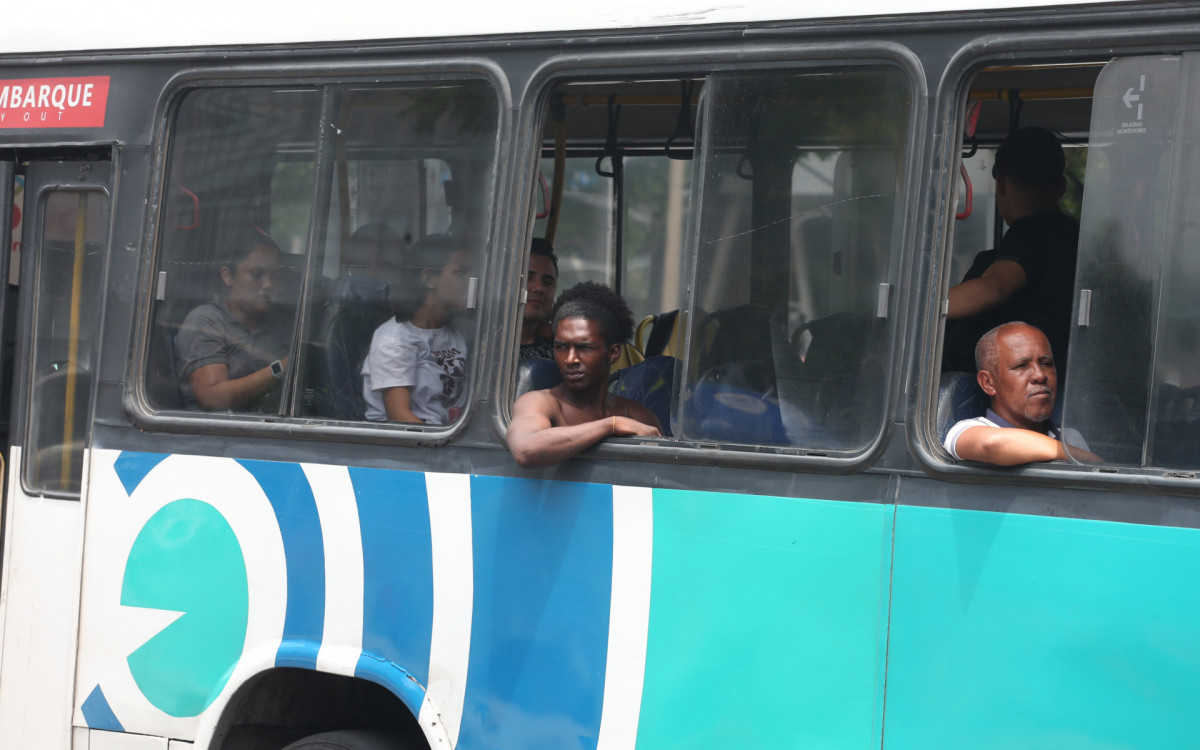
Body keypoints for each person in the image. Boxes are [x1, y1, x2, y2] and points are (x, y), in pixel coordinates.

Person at [943, 126, 1079, 374]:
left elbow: (996, 287)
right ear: (1062, 187)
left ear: (1002, 183)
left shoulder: (1029, 231)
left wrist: (925, 307)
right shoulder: (1075, 236)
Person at [508, 282, 661, 468]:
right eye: (561, 347)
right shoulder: (539, 402)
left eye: (584, 347)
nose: (570, 359)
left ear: (613, 353)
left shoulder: (635, 414)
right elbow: (526, 450)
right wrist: (611, 425)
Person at [944, 322, 1098, 465]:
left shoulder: (1070, 436)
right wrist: (1085, 458)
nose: (1040, 375)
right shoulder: (966, 430)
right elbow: (995, 444)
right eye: (1021, 366)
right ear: (988, 383)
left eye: (1046, 364)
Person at [175, 228, 292, 412]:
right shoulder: (206, 321)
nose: (268, 284)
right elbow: (213, 399)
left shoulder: (282, 323)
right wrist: (281, 369)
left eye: (275, 277)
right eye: (256, 274)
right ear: (227, 276)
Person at [361, 233, 470, 424]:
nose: (470, 282)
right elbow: (400, 417)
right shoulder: (394, 339)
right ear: (428, 279)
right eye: (461, 273)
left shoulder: (455, 333)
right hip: (416, 442)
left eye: (472, 274)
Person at [519, 237, 558, 360]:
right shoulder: (472, 345)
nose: (539, 288)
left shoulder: (561, 356)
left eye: (547, 282)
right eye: (528, 278)